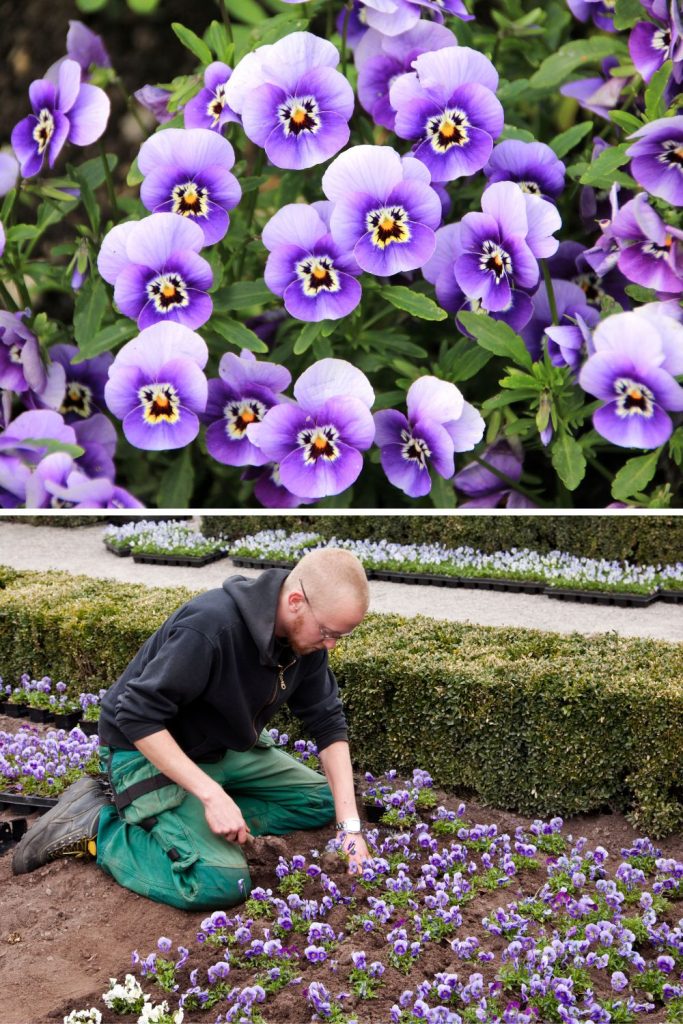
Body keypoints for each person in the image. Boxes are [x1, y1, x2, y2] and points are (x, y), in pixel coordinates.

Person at [13, 548, 372, 909]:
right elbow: (135, 715)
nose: (330, 645)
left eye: (339, 636)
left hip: (218, 749)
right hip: (145, 751)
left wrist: (350, 829)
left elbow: (328, 722)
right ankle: (99, 825)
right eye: (328, 632)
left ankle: (191, 823)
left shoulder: (306, 644)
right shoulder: (211, 626)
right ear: (295, 601)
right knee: (218, 882)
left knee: (327, 800)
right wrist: (212, 796)